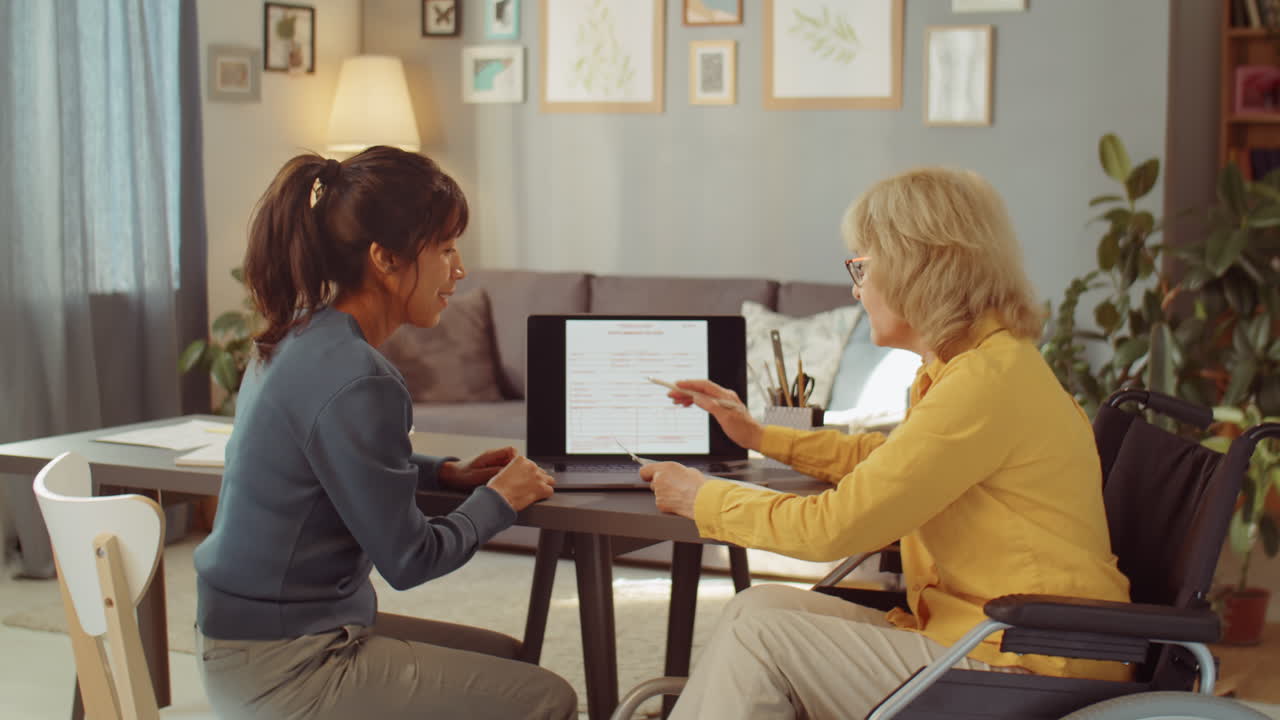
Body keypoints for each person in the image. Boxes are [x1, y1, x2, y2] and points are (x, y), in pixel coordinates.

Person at [640, 167, 1133, 719]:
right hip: (988, 634)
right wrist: (758, 435)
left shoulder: (983, 385)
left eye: (862, 266)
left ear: (915, 268)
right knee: (756, 607)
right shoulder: (969, 367)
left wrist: (701, 497)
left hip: (1027, 660)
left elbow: (833, 528)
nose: (856, 288)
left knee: (762, 638)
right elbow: (886, 461)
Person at [192, 146, 577, 720]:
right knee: (548, 699)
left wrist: (441, 472)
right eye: (446, 249)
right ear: (385, 259)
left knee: (507, 660)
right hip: (290, 669)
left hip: (243, 644)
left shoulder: (294, 339)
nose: (461, 269)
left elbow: (330, 461)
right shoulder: (359, 378)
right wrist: (497, 500)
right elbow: (411, 560)